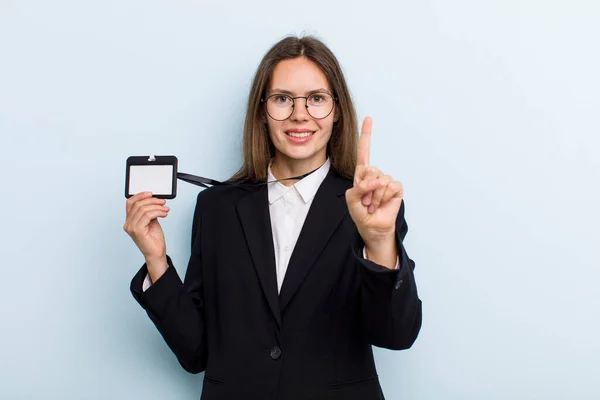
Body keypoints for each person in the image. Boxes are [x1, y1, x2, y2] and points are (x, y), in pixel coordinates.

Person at [123, 35, 422, 400]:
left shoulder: (372, 208)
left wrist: (377, 241)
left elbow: (397, 334)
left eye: (316, 99)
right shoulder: (217, 209)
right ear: (263, 111)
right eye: (283, 99)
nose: (300, 114)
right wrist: (157, 262)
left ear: (338, 110)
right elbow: (196, 352)